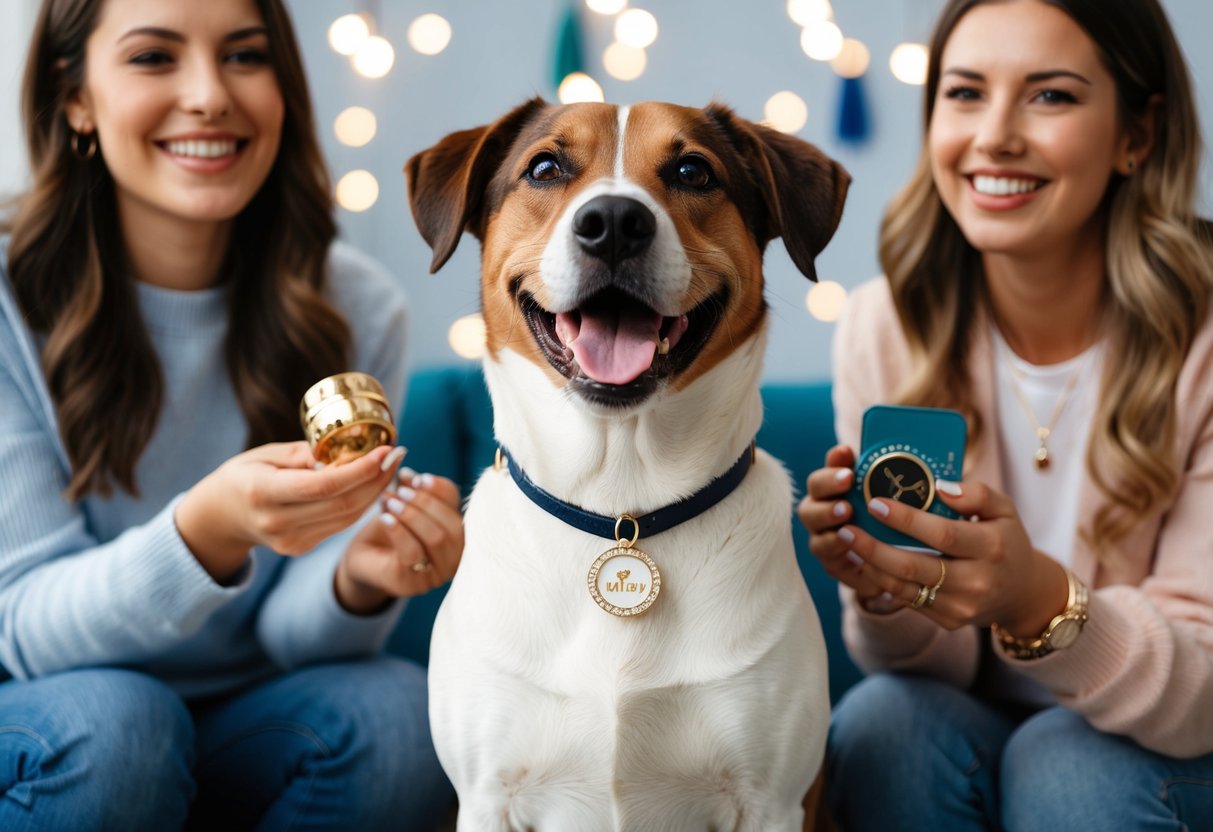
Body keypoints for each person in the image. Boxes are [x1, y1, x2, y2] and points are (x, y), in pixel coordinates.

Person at [0, 0, 462, 828]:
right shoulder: (7, 302)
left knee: (401, 719)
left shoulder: (353, 307)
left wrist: (356, 579)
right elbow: (22, 628)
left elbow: (289, 639)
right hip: (42, 716)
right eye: (153, 58)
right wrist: (207, 529)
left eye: (246, 56)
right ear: (74, 95)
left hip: (245, 715)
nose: (211, 94)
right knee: (119, 727)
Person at [797, 0, 1213, 828]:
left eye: (1049, 96)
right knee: (884, 723)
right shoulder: (886, 325)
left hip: (1170, 742)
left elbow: (1202, 691)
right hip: (970, 720)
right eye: (963, 93)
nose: (993, 136)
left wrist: (1036, 602)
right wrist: (885, 586)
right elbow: (928, 671)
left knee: (1063, 761)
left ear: (1138, 134)